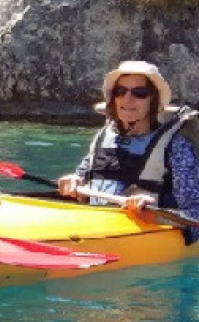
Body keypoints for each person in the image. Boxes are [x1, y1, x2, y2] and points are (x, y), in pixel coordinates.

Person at [57, 60, 199, 241]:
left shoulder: (176, 147)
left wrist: (154, 216)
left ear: (153, 101)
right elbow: (82, 178)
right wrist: (74, 181)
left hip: (145, 239)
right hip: (94, 228)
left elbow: (195, 214)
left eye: (140, 93)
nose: (127, 99)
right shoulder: (104, 137)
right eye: (120, 91)